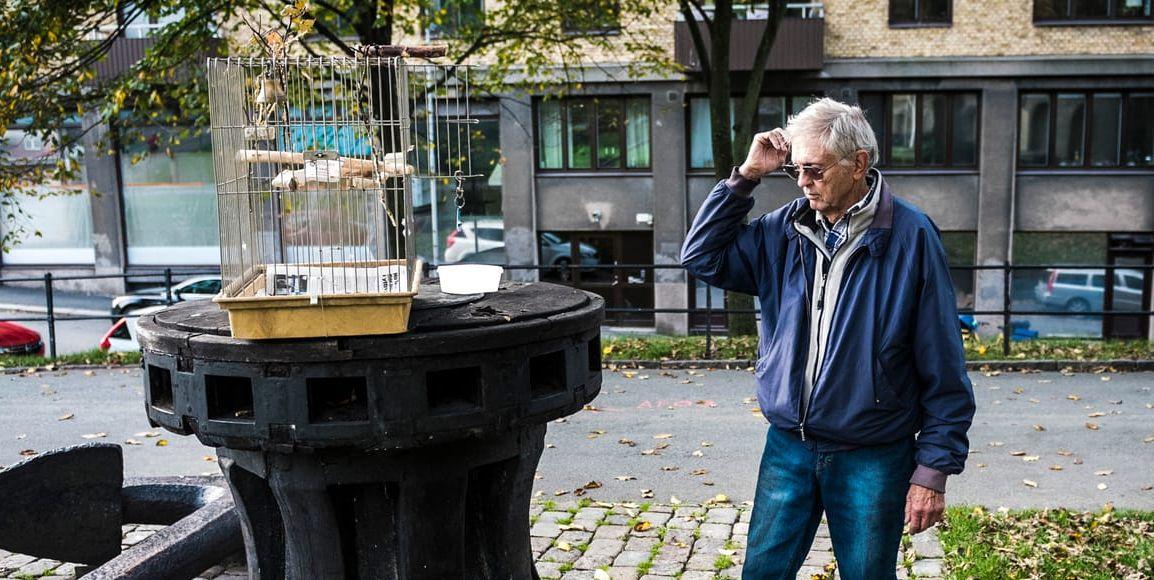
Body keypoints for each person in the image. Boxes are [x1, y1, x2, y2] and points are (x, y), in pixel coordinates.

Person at [681, 98, 976, 579]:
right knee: (762, 573)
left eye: (814, 170)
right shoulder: (784, 229)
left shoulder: (911, 237)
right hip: (789, 445)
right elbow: (701, 256)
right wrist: (747, 176)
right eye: (796, 170)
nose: (802, 182)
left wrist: (932, 471)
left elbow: (943, 363)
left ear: (858, 163)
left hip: (873, 452)